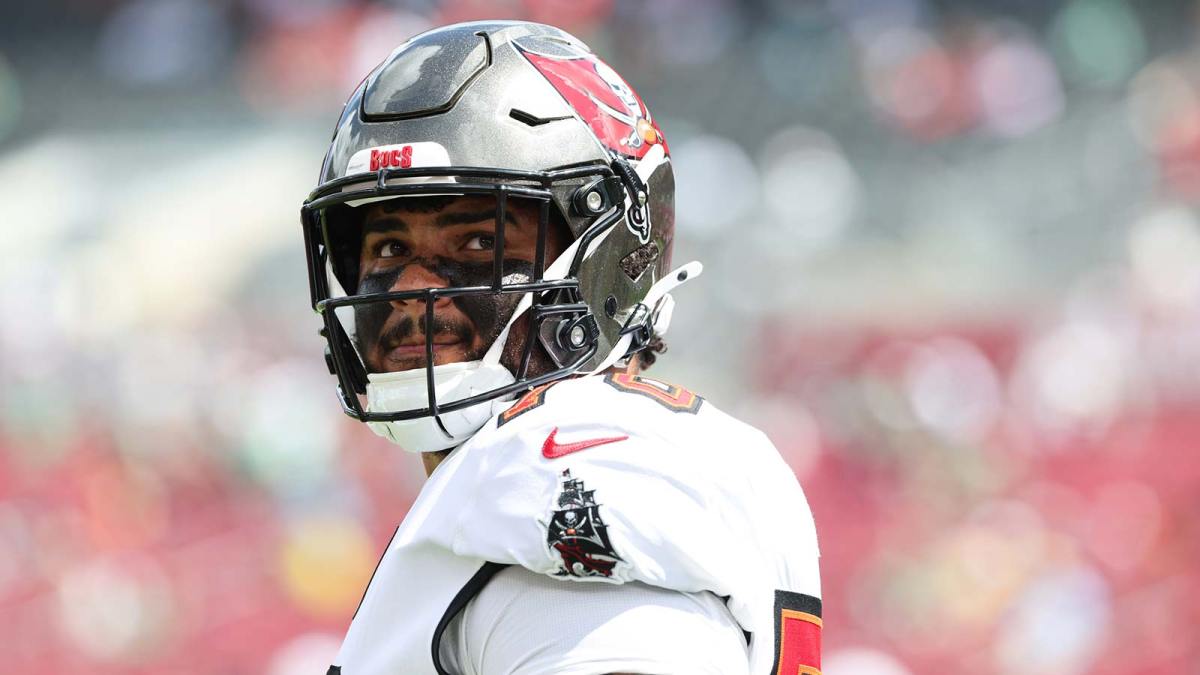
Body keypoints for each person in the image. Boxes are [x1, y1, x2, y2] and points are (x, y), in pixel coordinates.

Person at [301, 20, 821, 675]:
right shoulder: (509, 475)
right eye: (389, 248)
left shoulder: (566, 463)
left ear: (609, 260)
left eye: (477, 244)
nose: (410, 288)